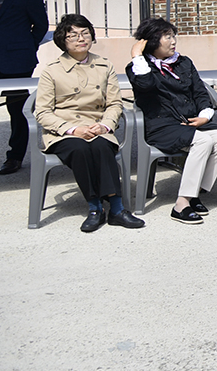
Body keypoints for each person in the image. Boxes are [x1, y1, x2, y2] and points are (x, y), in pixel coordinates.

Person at [34, 14, 144, 232]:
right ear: (62, 40)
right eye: (73, 35)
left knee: (102, 146)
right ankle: (95, 208)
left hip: (97, 126)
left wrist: (105, 125)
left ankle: (117, 208)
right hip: (64, 132)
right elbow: (43, 112)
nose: (80, 38)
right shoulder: (51, 70)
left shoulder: (104, 65)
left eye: (85, 33)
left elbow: (115, 103)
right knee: (80, 149)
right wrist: (72, 129)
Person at [126, 18, 217, 225]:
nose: (173, 41)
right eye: (167, 37)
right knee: (203, 141)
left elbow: (200, 92)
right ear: (152, 41)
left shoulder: (184, 63)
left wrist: (205, 115)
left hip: (191, 122)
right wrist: (137, 55)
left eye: (173, 36)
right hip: (162, 126)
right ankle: (181, 205)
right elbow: (145, 86)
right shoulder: (138, 67)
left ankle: (194, 193)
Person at [0, 0, 48, 175]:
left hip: (17, 61)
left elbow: (41, 25)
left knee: (17, 110)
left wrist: (27, 47)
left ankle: (15, 157)